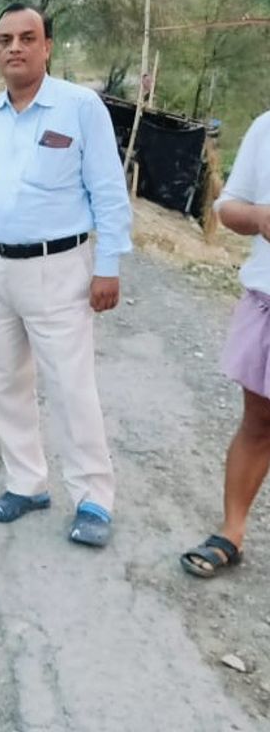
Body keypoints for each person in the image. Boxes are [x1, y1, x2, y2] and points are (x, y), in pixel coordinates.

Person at [0, 4, 132, 548]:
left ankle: (93, 497)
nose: (15, 48)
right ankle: (25, 482)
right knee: (4, 381)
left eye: (27, 38)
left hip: (59, 268)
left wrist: (109, 265)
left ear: (47, 46)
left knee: (70, 383)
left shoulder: (79, 108)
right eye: (5, 39)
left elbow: (107, 189)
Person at [181, 110, 270, 577]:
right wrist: (259, 217)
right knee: (258, 421)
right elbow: (227, 207)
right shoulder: (266, 128)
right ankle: (232, 530)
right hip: (268, 300)